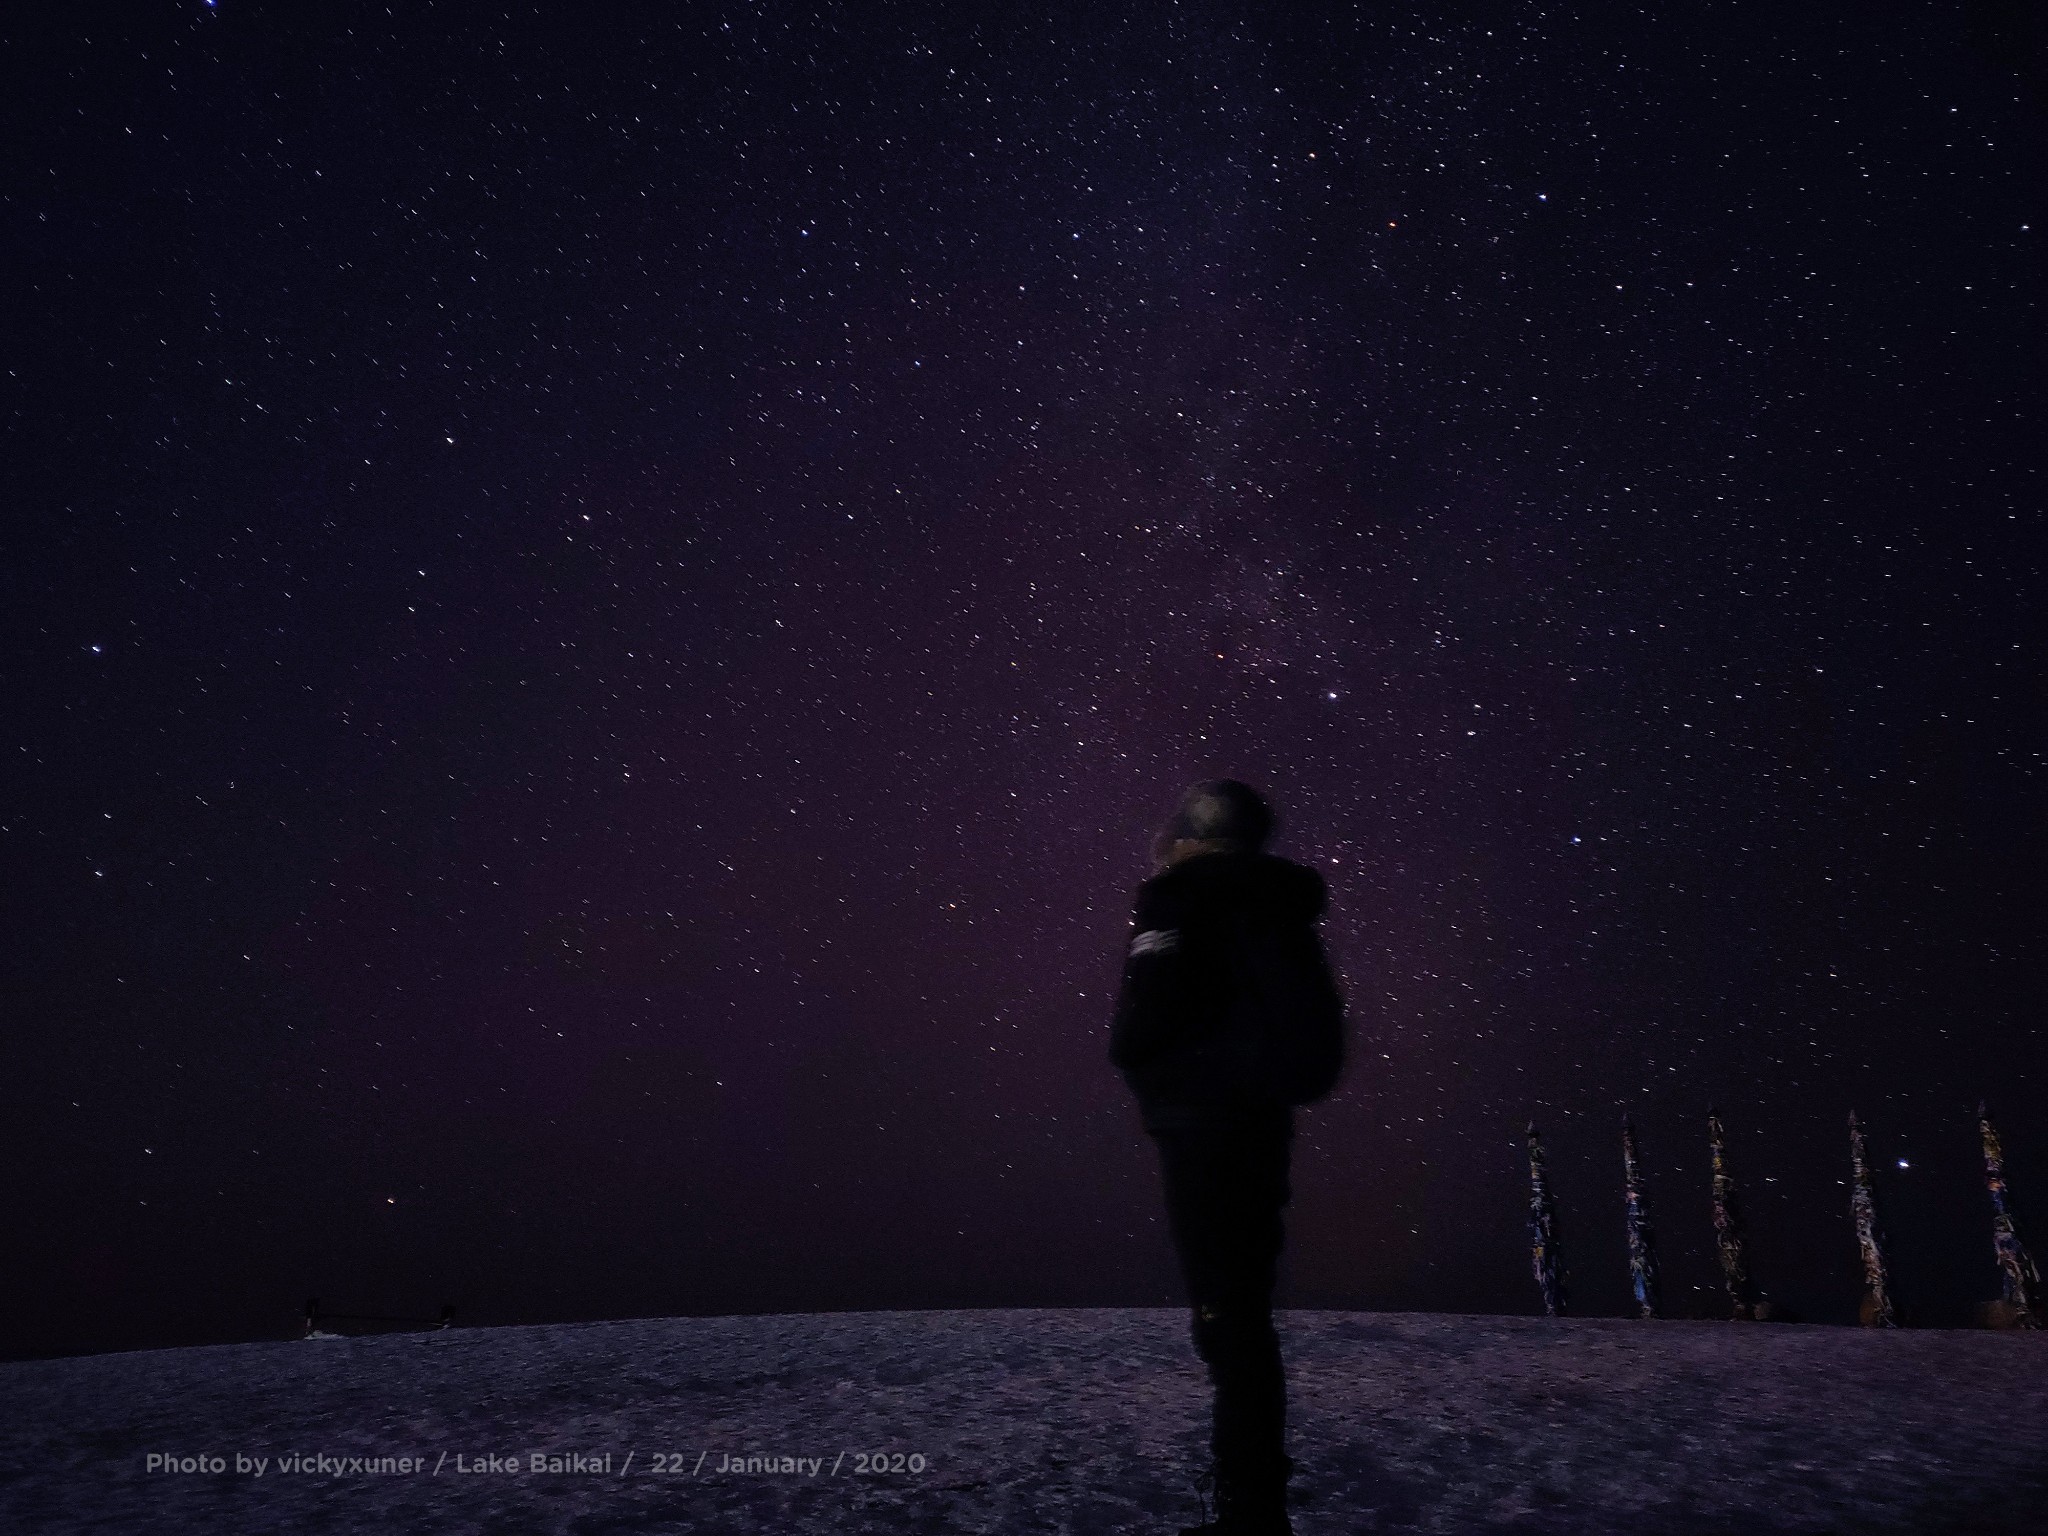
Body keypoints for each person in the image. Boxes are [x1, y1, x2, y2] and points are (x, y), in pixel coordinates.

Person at [1109, 780, 1346, 1536]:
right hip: (1258, 1129)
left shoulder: (1178, 900)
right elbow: (1316, 1045)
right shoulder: (1280, 909)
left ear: (1192, 835)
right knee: (1244, 1313)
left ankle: (1249, 1517)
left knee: (1227, 1321)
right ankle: (1256, 1505)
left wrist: (1162, 1072)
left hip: (1200, 1130)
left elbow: (1140, 1024)